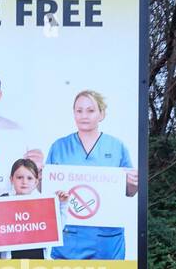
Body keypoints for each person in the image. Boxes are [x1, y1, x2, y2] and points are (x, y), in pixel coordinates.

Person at [45, 90, 138, 260]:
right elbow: (46, 191)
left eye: (90, 110)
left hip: (106, 239)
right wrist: (36, 174)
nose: (84, 116)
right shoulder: (59, 147)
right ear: (73, 113)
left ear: (101, 114)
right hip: (69, 237)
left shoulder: (117, 147)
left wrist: (135, 182)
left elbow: (130, 191)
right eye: (79, 110)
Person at [0, 158, 68, 259]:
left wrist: (63, 204)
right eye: (19, 177)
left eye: (29, 178)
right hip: (10, 266)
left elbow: (57, 229)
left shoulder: (43, 203)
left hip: (40, 265)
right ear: (11, 179)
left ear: (36, 182)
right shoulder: (3, 201)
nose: (24, 182)